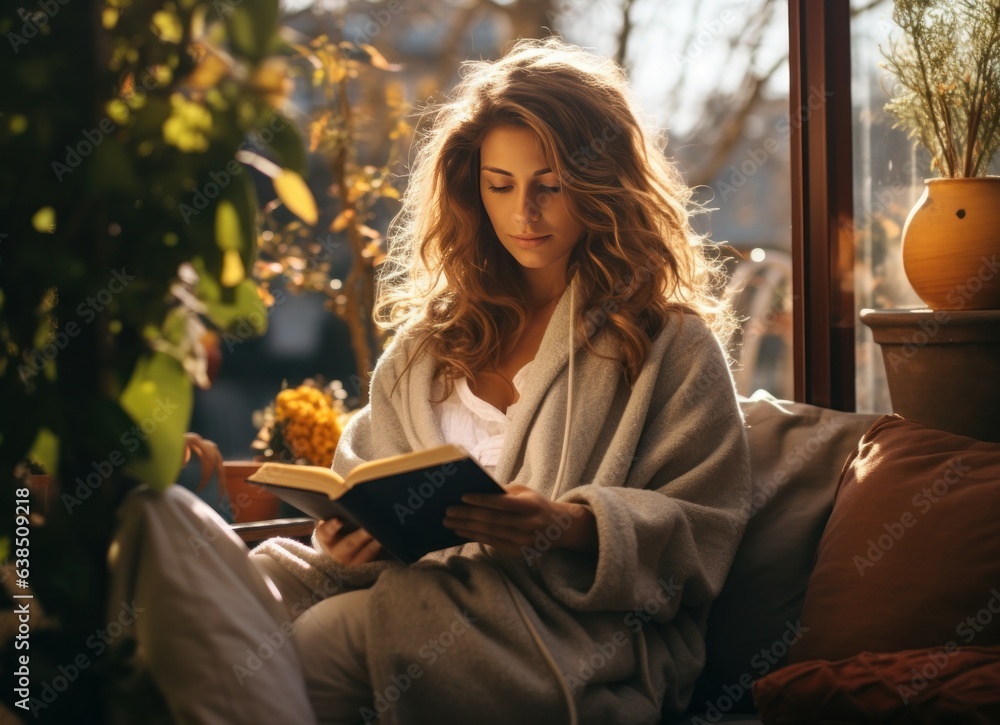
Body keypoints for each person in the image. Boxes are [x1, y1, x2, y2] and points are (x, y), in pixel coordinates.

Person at [252, 36, 751, 725]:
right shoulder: (423, 350)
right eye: (500, 185)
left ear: (602, 180)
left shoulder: (668, 344)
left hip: (569, 637)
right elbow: (360, 481)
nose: (526, 213)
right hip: (418, 599)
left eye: (550, 185)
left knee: (322, 641)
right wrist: (345, 543)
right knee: (230, 604)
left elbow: (706, 530)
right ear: (471, 187)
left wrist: (572, 525)